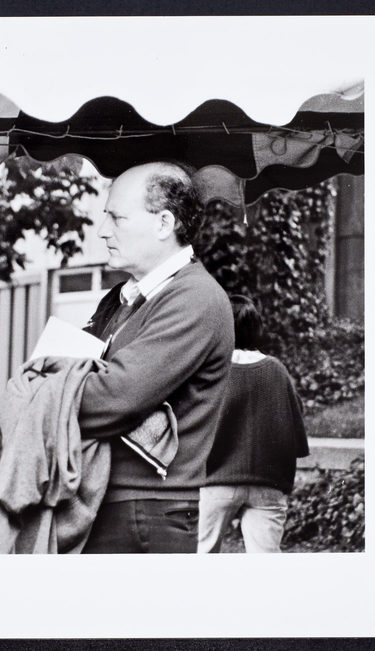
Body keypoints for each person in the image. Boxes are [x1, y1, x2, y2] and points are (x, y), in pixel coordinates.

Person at [78, 162, 234, 554]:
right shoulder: (120, 299)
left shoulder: (195, 298)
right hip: (113, 504)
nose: (103, 231)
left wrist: (49, 390)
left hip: (146, 512)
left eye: (117, 218)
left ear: (164, 223)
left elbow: (111, 398)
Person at [197, 295, 309, 553]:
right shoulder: (277, 369)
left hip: (214, 481)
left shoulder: (210, 371)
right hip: (267, 482)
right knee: (266, 564)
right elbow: (295, 425)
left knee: (200, 557)